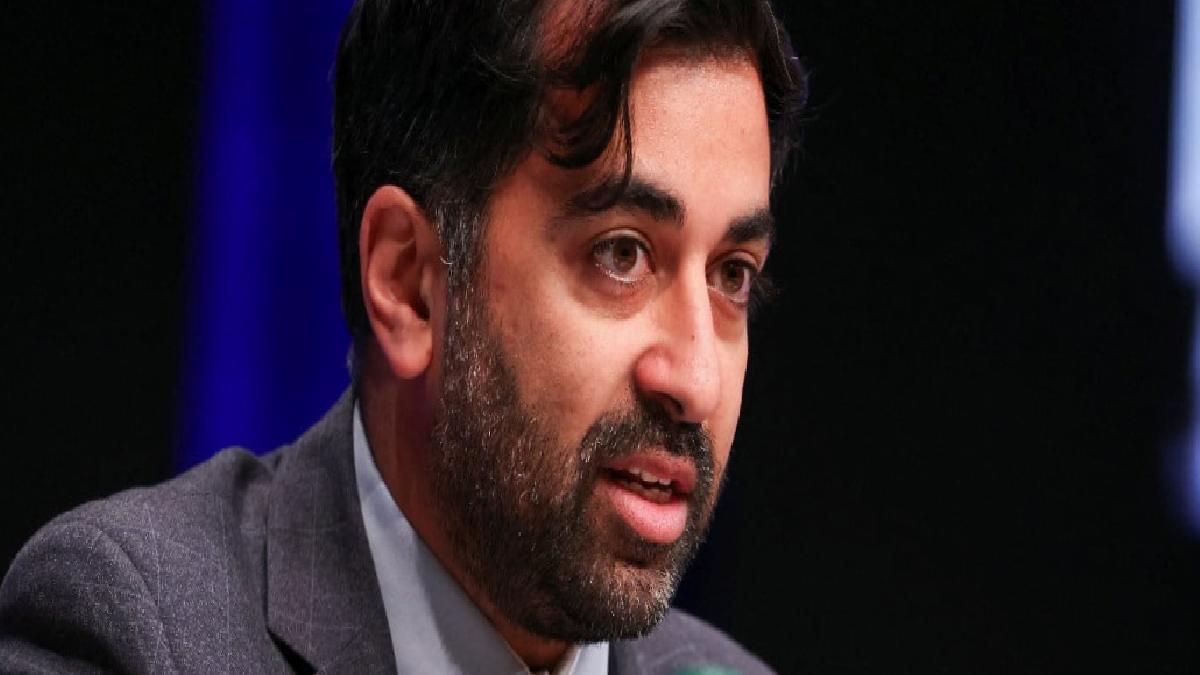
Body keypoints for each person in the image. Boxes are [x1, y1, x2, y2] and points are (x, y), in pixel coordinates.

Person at [0, 0, 806, 673]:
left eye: (732, 274)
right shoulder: (135, 634)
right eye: (620, 254)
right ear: (410, 281)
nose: (696, 378)